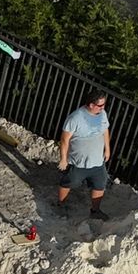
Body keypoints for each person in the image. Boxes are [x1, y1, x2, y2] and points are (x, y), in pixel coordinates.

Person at [57, 90, 112, 220]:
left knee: (100, 184)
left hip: (97, 161)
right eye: (100, 105)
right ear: (91, 105)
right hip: (78, 161)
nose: (103, 107)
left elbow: (105, 130)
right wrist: (63, 159)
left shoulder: (102, 114)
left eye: (104, 104)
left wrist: (107, 149)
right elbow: (65, 139)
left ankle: (95, 210)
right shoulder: (75, 118)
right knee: (69, 182)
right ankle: (61, 204)